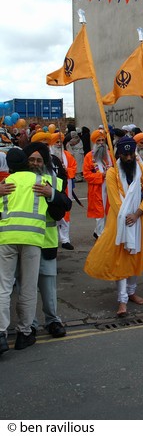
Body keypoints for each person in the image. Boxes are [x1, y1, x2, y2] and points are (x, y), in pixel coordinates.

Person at [84, 136, 143, 316]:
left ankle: (131, 292)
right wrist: (127, 216)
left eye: (131, 154)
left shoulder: (142, 170)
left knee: (135, 258)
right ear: (118, 155)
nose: (129, 158)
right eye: (125, 155)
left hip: (139, 220)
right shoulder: (112, 173)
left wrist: (137, 214)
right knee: (121, 261)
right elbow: (115, 201)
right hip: (120, 223)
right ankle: (122, 300)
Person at [0, 149, 51, 354]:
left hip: (6, 238)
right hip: (32, 238)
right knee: (29, 287)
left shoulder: (4, 184)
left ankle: (1, 334)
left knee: (4, 287)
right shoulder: (40, 181)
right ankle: (24, 333)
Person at [23, 142, 72, 338]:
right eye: (31, 160)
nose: (35, 163)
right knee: (27, 287)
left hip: (46, 241)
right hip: (25, 242)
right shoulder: (15, 180)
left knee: (48, 285)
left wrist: (51, 194)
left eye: (39, 160)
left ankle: (52, 320)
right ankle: (30, 324)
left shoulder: (53, 179)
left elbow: (65, 206)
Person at [83, 129, 112, 239]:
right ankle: (101, 235)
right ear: (94, 143)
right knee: (99, 214)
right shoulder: (89, 157)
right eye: (98, 141)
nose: (101, 143)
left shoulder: (109, 155)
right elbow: (86, 175)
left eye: (102, 140)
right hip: (97, 189)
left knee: (109, 212)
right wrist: (101, 176)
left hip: (109, 188)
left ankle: (98, 231)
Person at [50, 132, 77, 250]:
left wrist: (67, 171)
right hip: (52, 188)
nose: (59, 144)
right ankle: (53, 239)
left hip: (66, 187)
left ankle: (65, 239)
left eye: (61, 142)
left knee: (65, 212)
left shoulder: (67, 155)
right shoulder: (48, 157)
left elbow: (74, 167)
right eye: (56, 142)